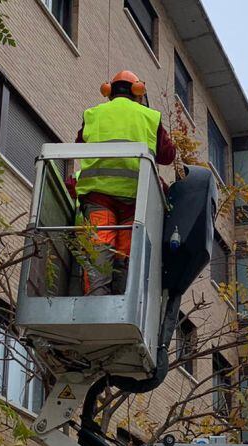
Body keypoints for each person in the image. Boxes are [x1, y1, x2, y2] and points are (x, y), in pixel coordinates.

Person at [72, 70, 176, 295]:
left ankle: (97, 301)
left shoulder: (93, 114)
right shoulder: (149, 116)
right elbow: (168, 155)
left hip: (99, 197)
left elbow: (79, 143)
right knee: (125, 254)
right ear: (138, 91)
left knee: (99, 248)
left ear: (108, 92)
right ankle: (120, 302)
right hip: (134, 200)